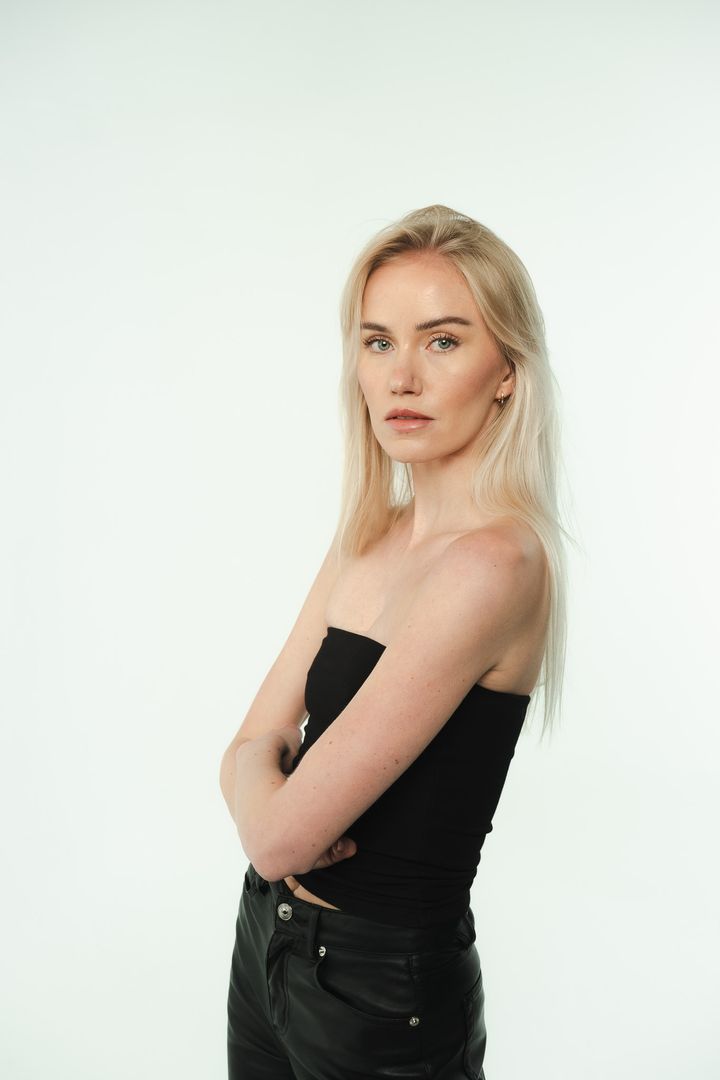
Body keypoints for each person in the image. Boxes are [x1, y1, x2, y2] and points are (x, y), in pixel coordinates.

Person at [219, 203, 569, 1079]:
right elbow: (246, 751)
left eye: (442, 341)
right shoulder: (368, 536)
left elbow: (277, 836)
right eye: (378, 342)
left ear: (506, 372)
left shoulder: (496, 564)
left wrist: (263, 789)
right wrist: (262, 784)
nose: (402, 376)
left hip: (380, 991)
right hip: (266, 944)